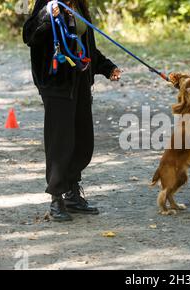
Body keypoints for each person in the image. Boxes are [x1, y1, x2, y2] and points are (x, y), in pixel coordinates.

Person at [23, 0, 122, 222]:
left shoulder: (78, 5)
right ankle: (56, 198)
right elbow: (29, 35)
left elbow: (86, 46)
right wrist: (47, 17)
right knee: (60, 142)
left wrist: (107, 68)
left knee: (82, 139)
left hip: (80, 81)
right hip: (56, 83)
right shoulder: (47, 4)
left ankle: (72, 193)